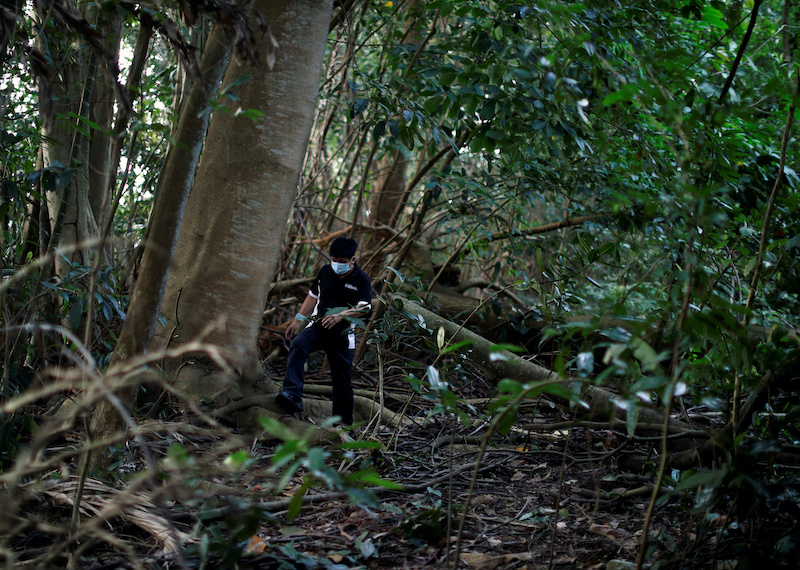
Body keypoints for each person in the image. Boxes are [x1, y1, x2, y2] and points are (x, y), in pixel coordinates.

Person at [276, 236, 372, 425]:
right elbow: (312, 297)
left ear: (352, 260)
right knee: (298, 344)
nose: (336, 264)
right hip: (318, 328)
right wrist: (297, 321)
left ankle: (343, 423)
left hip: (343, 335)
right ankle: (292, 394)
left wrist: (341, 315)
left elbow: (365, 307)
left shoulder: (361, 279)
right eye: (334, 260)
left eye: (342, 262)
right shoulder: (325, 272)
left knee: (342, 380)